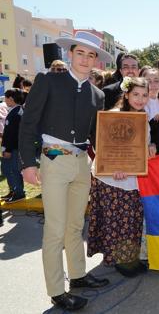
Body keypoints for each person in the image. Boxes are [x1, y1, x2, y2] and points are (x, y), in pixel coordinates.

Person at [19, 31, 111, 311]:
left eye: (91, 54)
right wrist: (27, 163)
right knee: (55, 229)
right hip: (53, 159)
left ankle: (79, 275)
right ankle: (57, 291)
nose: (85, 59)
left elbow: (98, 136)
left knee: (75, 225)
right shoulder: (48, 81)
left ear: (96, 60)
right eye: (80, 53)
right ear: (70, 54)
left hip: (82, 162)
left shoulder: (97, 94)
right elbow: (28, 124)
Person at [87, 77, 150, 277]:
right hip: (110, 177)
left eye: (144, 95)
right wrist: (114, 166)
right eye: (136, 94)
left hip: (132, 176)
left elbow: (141, 147)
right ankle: (120, 262)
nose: (140, 99)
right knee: (115, 220)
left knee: (131, 219)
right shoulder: (112, 115)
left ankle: (128, 258)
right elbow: (102, 145)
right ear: (127, 95)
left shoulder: (143, 117)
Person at [1, 88, 26, 204]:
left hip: (13, 149)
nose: (4, 100)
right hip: (11, 147)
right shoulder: (15, 111)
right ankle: (13, 191)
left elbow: (12, 134)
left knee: (13, 170)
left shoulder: (16, 113)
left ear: (11, 99)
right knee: (7, 170)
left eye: (5, 97)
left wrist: (8, 149)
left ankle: (19, 193)